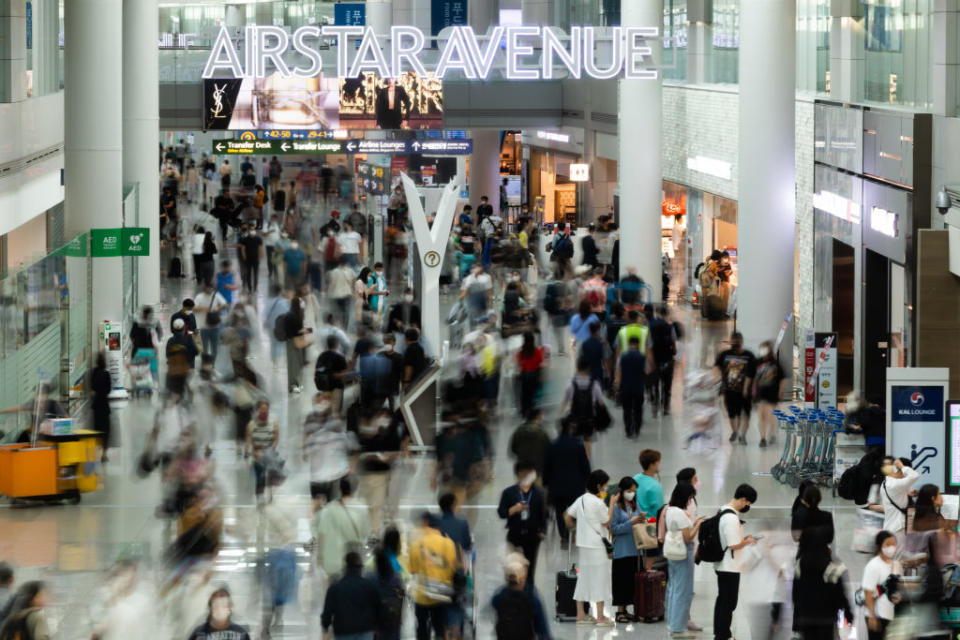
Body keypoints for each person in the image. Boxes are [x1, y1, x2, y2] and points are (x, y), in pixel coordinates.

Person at [564, 469, 614, 626]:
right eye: (605, 485)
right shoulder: (598, 503)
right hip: (597, 546)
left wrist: (575, 530)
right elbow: (607, 522)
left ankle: (581, 614)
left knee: (584, 577)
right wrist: (611, 504)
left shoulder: (581, 500)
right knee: (601, 578)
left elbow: (567, 516)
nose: (606, 488)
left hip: (584, 545)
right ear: (599, 486)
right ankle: (600, 617)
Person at [712, 483, 759, 640]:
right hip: (729, 566)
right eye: (748, 503)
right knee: (728, 603)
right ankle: (723, 635)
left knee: (724, 601)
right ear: (743, 499)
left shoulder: (723, 510)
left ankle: (722, 633)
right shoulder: (731, 517)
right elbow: (733, 545)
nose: (748, 506)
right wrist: (748, 541)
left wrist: (743, 539)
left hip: (725, 564)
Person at [792, 525, 852, 640]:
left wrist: (796, 622)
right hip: (827, 618)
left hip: (806, 618)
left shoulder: (800, 564)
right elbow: (840, 593)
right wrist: (848, 613)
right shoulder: (832, 565)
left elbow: (796, 595)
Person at [408, 511, 459, 640]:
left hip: (421, 594)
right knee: (440, 626)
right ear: (439, 528)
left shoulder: (416, 545)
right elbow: (453, 568)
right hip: (442, 592)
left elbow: (412, 570)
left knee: (421, 625)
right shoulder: (448, 543)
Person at [497, 461, 547, 591]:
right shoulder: (508, 493)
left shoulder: (538, 493)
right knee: (512, 565)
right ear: (518, 474)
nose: (526, 476)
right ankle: (512, 590)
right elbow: (501, 513)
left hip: (532, 535)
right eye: (523, 473)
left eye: (529, 473)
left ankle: (529, 591)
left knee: (530, 565)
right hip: (514, 533)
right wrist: (514, 509)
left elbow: (544, 514)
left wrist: (542, 531)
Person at [303, 392, 356, 512]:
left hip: (333, 471)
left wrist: (346, 465)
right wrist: (305, 450)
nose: (322, 404)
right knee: (316, 502)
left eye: (325, 401)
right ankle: (318, 525)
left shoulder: (336, 420)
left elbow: (343, 444)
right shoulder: (310, 418)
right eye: (319, 401)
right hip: (317, 470)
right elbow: (306, 434)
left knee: (332, 503)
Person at [665, 483, 705, 637]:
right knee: (683, 591)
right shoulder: (680, 514)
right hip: (683, 554)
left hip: (673, 554)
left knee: (674, 589)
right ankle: (678, 628)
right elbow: (687, 538)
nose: (690, 500)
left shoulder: (670, 510)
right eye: (690, 497)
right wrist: (697, 525)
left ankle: (673, 624)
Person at [543, 420, 591, 550]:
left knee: (560, 511)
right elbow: (585, 466)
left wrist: (546, 483)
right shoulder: (578, 445)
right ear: (570, 429)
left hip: (557, 486)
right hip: (575, 486)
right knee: (575, 510)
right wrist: (587, 481)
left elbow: (546, 467)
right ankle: (574, 533)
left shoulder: (552, 446)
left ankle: (564, 537)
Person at [314, 476, 371, 579]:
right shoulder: (361, 509)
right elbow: (365, 534)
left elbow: (321, 534)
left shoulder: (329, 509)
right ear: (356, 488)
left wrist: (320, 558)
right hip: (352, 563)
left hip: (332, 563)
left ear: (340, 489)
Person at [491, 552, 552, 640]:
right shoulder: (532, 599)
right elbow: (543, 630)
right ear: (524, 576)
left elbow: (493, 604)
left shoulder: (499, 597)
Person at [321, 551, 382, 640]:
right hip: (365, 632)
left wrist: (325, 628)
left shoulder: (335, 588)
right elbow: (378, 608)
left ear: (346, 568)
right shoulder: (369, 586)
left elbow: (327, 612)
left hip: (343, 633)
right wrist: (377, 627)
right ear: (360, 568)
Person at [609, 476, 642, 623]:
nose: (632, 494)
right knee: (621, 581)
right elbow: (614, 529)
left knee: (632, 581)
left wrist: (642, 520)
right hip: (621, 551)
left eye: (634, 491)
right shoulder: (616, 507)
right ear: (622, 491)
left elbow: (638, 520)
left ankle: (629, 609)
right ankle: (620, 611)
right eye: (629, 491)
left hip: (635, 549)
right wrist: (631, 522)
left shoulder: (635, 505)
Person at [714, 332, 757, 445]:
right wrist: (718, 380)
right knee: (732, 413)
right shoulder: (724, 354)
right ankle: (735, 431)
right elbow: (716, 368)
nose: (736, 343)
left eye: (737, 341)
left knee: (745, 414)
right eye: (734, 340)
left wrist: (746, 388)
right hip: (729, 390)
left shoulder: (749, 356)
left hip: (744, 392)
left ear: (741, 342)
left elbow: (751, 374)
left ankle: (743, 435)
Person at [559, 356, 606, 459]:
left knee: (574, 439)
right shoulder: (595, 384)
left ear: (577, 367)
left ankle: (576, 460)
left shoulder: (570, 384)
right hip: (589, 419)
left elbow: (564, 402)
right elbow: (601, 403)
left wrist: (560, 414)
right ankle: (586, 461)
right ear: (588, 368)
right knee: (587, 440)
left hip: (575, 419)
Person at [862, 530, 902, 640]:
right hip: (877, 615)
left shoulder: (897, 565)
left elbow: (899, 588)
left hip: (892, 615)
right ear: (880, 546)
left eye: (894, 544)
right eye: (887, 544)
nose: (892, 547)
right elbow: (868, 592)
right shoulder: (873, 565)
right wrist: (872, 616)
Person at [632, 449, 664, 569]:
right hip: (650, 526)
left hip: (635, 523)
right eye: (658, 462)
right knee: (649, 561)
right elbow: (659, 510)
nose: (659, 464)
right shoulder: (655, 486)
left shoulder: (636, 478)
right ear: (652, 465)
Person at [245, 399, 279, 505]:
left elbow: (276, 438)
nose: (264, 411)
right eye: (262, 409)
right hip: (257, 455)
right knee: (259, 478)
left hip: (269, 454)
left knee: (269, 477)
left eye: (266, 409)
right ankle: (259, 498)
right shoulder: (251, 425)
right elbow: (248, 440)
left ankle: (270, 495)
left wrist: (271, 449)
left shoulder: (273, 423)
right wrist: (247, 454)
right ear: (257, 410)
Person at [753, 339, 785, 447]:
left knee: (771, 416)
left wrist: (780, 392)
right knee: (761, 416)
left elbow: (782, 378)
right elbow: (753, 377)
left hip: (772, 393)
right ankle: (763, 438)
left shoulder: (775, 363)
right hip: (760, 394)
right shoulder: (757, 362)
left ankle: (772, 434)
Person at [187, 588, 251, 640]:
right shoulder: (199, 633)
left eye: (224, 604)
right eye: (216, 605)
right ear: (211, 608)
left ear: (229, 608)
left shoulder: (241, 633)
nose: (220, 609)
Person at [615, 335, 647, 438]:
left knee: (627, 409)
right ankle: (637, 429)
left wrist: (617, 387)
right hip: (639, 387)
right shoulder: (643, 357)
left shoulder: (622, 357)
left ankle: (628, 430)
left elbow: (618, 373)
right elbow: (647, 371)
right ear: (638, 344)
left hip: (626, 387)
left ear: (629, 344)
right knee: (638, 409)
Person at [879, 456, 920, 537]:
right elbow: (914, 476)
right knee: (900, 550)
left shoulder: (886, 483)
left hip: (890, 527)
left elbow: (896, 495)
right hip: (898, 528)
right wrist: (902, 466)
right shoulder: (895, 484)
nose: (905, 477)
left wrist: (908, 494)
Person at [649, 305, 677, 417]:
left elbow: (648, 345)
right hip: (667, 360)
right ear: (666, 314)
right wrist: (673, 352)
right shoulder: (670, 327)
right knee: (667, 385)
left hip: (655, 360)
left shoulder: (650, 326)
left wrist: (650, 361)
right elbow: (674, 343)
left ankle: (655, 407)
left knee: (655, 385)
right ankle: (665, 407)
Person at [791, 485, 835, 551]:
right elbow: (829, 539)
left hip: (805, 553)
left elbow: (795, 538)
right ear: (820, 499)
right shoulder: (827, 516)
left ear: (804, 500)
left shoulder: (798, 516)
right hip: (822, 554)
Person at [515, 332, 546, 420]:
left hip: (525, 376)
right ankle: (533, 415)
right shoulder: (537, 351)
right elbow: (540, 364)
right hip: (535, 376)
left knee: (524, 396)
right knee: (534, 396)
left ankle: (524, 414)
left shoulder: (521, 352)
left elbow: (518, 364)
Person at [315, 335, 349, 414]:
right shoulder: (340, 357)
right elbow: (344, 374)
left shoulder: (322, 356)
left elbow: (316, 372)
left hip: (325, 388)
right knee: (335, 412)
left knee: (325, 411)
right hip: (337, 388)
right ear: (337, 344)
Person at [194, 283, 228, 363]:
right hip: (203, 328)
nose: (209, 290)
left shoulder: (216, 295)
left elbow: (225, 304)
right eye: (208, 288)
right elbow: (193, 309)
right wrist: (203, 308)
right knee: (204, 350)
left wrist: (218, 308)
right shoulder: (199, 297)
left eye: (211, 288)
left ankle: (212, 366)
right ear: (204, 288)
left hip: (215, 327)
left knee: (215, 349)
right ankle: (205, 366)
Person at [89, 352, 113, 461]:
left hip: (96, 404)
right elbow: (109, 389)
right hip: (105, 405)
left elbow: (93, 386)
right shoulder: (107, 374)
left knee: (97, 429)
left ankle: (96, 451)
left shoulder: (94, 372)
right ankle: (104, 453)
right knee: (106, 430)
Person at [328, 257, 356, 330]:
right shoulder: (350, 271)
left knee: (337, 311)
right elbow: (354, 279)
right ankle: (345, 327)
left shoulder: (334, 272)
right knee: (346, 312)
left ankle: (338, 326)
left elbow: (332, 284)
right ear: (346, 263)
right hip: (347, 294)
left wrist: (329, 293)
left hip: (336, 295)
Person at [237, 226, 263, 294]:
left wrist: (259, 256)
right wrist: (244, 257)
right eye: (251, 230)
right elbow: (243, 249)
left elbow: (260, 248)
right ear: (249, 231)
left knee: (255, 274)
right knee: (248, 274)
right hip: (248, 259)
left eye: (253, 230)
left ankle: (255, 288)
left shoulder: (258, 239)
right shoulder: (245, 239)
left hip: (256, 259)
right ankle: (250, 288)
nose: (252, 231)